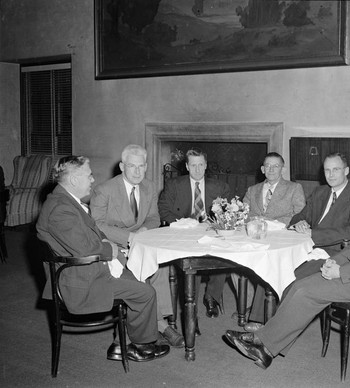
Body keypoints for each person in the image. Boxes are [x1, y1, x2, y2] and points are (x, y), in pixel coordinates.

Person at [224, 165, 350, 369]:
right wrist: (333, 262)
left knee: (306, 291)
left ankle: (263, 344)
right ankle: (266, 347)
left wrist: (341, 272)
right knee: (297, 283)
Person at [37, 156, 170, 362]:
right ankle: (139, 345)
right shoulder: (60, 209)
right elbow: (87, 248)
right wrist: (113, 249)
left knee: (137, 275)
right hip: (80, 282)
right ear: (73, 180)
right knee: (145, 292)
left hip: (85, 271)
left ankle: (121, 344)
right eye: (89, 175)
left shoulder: (65, 201)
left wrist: (111, 247)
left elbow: (93, 235)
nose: (92, 180)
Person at [245, 153, 350, 331]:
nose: (331, 174)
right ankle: (258, 318)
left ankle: (272, 329)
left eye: (336, 169)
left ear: (346, 171)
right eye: (327, 170)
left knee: (291, 277)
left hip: (336, 252)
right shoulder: (321, 192)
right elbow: (298, 216)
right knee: (272, 263)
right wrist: (300, 222)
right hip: (308, 247)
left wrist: (314, 233)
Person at [90, 144, 184, 348]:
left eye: (141, 166)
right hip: (114, 245)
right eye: (132, 166)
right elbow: (97, 224)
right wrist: (130, 236)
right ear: (122, 166)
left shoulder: (149, 187)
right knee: (138, 271)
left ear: (146, 166)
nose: (137, 171)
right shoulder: (104, 190)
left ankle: (158, 322)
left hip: (141, 242)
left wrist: (141, 233)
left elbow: (153, 218)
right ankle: (161, 326)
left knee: (161, 266)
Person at [158, 148, 230, 318]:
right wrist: (183, 224)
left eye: (200, 165)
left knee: (225, 255)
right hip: (183, 233)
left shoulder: (220, 186)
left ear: (205, 165)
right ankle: (192, 309)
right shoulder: (174, 185)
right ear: (187, 166)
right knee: (193, 263)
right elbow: (164, 209)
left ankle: (211, 296)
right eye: (193, 165)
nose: (197, 169)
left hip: (210, 232)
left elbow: (228, 214)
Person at [233, 152, 305, 321]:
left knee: (269, 265)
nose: (271, 169)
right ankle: (249, 305)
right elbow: (243, 214)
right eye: (268, 166)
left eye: (276, 166)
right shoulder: (252, 190)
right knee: (236, 261)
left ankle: (260, 316)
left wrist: (271, 222)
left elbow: (300, 214)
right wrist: (255, 221)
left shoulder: (294, 188)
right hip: (254, 237)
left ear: (283, 169)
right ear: (262, 169)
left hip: (281, 238)